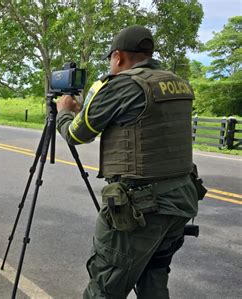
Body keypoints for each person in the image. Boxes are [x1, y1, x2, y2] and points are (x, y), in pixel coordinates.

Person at [56, 25, 200, 298]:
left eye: (111, 59)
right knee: (154, 276)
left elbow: (77, 134)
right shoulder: (177, 82)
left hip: (141, 209)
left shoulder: (124, 84)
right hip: (182, 200)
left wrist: (63, 113)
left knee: (105, 285)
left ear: (118, 57)